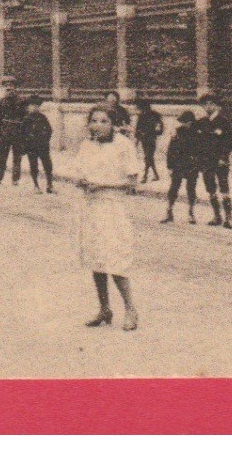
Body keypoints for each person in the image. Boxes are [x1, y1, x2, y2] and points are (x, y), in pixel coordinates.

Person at [74, 105, 140, 331]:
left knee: (115, 259)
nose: (98, 126)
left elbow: (132, 182)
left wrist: (103, 184)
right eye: (94, 121)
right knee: (96, 258)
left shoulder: (123, 145)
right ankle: (104, 309)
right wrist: (82, 180)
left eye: (104, 121)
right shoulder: (86, 145)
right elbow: (80, 170)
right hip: (90, 206)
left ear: (113, 124)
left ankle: (131, 309)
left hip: (112, 207)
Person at [191, 93, 232, 230]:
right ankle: (217, 216)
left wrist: (224, 158)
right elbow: (195, 140)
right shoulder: (201, 123)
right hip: (206, 161)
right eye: (204, 104)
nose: (206, 107)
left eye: (209, 103)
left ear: (215, 105)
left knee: (224, 187)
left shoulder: (224, 122)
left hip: (219, 161)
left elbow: (228, 142)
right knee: (210, 188)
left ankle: (229, 218)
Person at [160, 110, 201, 224]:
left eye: (185, 122)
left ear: (191, 122)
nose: (183, 124)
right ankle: (169, 211)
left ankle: (191, 213)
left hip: (192, 165)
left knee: (191, 190)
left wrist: (198, 164)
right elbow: (171, 150)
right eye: (182, 122)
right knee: (173, 188)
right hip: (178, 164)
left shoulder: (197, 133)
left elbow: (201, 150)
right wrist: (170, 166)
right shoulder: (177, 132)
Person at [0, 79, 24, 185]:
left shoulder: (21, 101)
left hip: (18, 132)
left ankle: (15, 179)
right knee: (1, 157)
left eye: (11, 86)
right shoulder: (1, 102)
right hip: (4, 133)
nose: (8, 89)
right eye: (6, 87)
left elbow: (26, 118)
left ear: (15, 88)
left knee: (17, 157)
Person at [21, 98, 55, 193]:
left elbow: (49, 130)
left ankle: (50, 185)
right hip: (31, 147)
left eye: (37, 106)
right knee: (34, 166)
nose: (35, 108)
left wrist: (45, 140)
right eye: (33, 105)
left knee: (48, 166)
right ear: (28, 107)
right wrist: (25, 146)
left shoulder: (43, 117)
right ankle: (36, 186)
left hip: (43, 146)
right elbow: (22, 134)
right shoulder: (26, 119)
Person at [133, 98, 164, 183]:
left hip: (151, 138)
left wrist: (156, 132)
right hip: (144, 139)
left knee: (148, 157)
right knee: (149, 158)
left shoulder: (154, 115)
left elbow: (160, 127)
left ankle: (145, 176)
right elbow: (138, 129)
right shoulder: (141, 116)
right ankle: (156, 175)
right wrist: (137, 139)